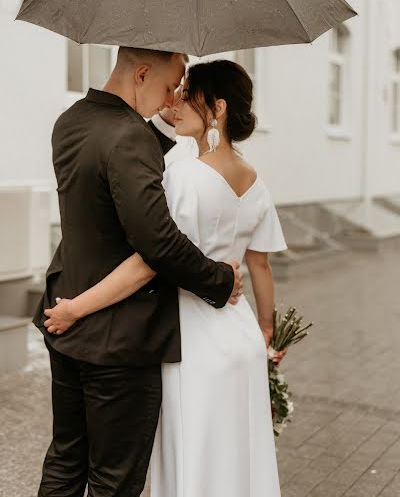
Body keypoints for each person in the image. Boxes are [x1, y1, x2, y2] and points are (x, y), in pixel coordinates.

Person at [45, 59, 288, 497]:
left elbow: (151, 256)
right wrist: (266, 335)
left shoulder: (174, 171)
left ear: (215, 107)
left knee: (183, 461)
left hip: (189, 338)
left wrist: (76, 307)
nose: (174, 99)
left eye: (185, 91)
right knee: (235, 459)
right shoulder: (256, 181)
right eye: (173, 87)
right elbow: (261, 265)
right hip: (241, 336)